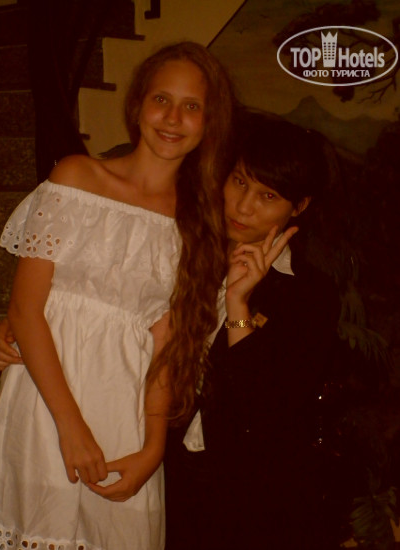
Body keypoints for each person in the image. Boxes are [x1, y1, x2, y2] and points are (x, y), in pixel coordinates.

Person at [0, 41, 236, 550]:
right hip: (47, 401)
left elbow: (167, 345)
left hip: (126, 410)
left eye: (192, 106)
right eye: (161, 99)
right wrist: (71, 426)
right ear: (138, 104)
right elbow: (26, 311)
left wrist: (153, 448)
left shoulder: (199, 220)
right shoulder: (77, 176)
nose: (173, 118)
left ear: (209, 122)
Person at [164, 111, 343, 550]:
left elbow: (262, 408)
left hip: (253, 497)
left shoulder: (310, 294)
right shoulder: (183, 254)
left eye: (268, 195)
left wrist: (238, 306)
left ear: (298, 207)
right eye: (240, 182)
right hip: (170, 476)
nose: (244, 206)